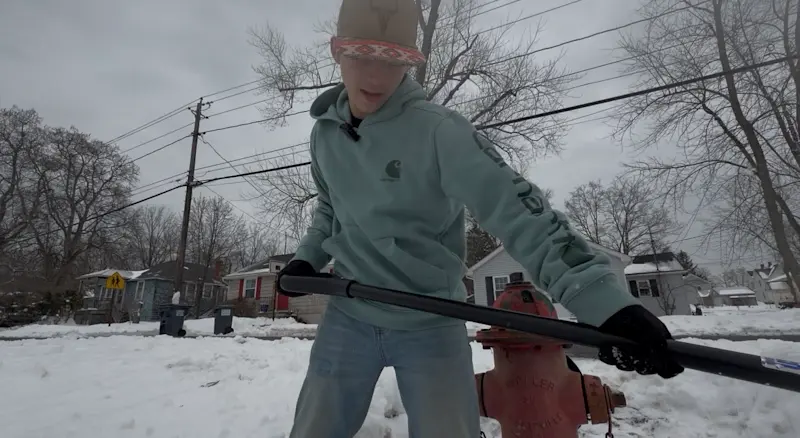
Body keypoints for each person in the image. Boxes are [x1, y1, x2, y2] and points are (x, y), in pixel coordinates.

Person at [275, 0, 684, 436]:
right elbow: (329, 208)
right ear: (337, 50)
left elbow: (518, 209)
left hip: (430, 316)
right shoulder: (325, 134)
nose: (376, 77)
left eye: (392, 60)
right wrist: (307, 258)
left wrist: (604, 302)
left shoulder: (439, 131)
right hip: (349, 313)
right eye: (362, 56)